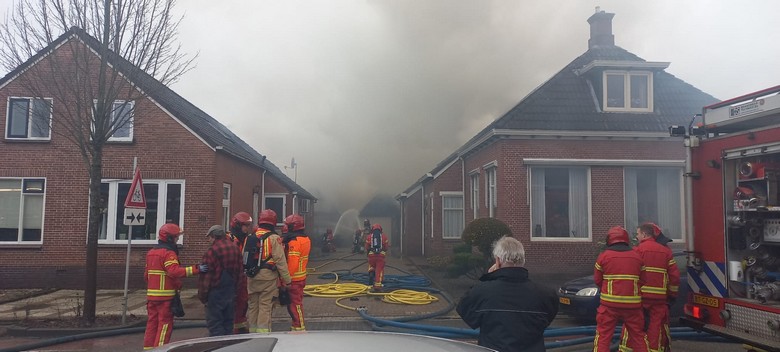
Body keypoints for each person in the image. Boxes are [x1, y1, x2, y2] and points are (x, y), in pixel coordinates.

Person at [456, 236, 558, 352]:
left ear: (498, 261)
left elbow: (464, 309)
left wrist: (487, 279)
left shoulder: (482, 291)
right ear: (523, 260)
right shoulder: (546, 294)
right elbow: (546, 320)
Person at [143, 223, 206, 350]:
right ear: (170, 238)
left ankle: (148, 349)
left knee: (151, 325)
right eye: (176, 237)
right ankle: (160, 350)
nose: (177, 240)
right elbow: (174, 271)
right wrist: (196, 269)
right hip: (165, 298)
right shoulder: (168, 253)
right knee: (164, 326)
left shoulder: (151, 253)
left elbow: (146, 275)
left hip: (151, 297)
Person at [619, 223, 680, 352]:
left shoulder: (636, 251)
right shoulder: (666, 252)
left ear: (644, 234)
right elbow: (674, 277)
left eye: (638, 234)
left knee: (633, 327)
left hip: (638, 300)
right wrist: (672, 295)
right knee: (656, 329)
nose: (637, 237)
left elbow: (629, 274)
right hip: (659, 301)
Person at [594, 226, 648, 352]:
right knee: (638, 336)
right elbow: (643, 280)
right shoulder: (637, 256)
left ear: (610, 240)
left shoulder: (604, 256)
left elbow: (597, 280)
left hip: (609, 305)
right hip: (633, 306)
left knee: (603, 336)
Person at [244, 209, 291, 333]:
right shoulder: (274, 238)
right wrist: (287, 280)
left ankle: (252, 333)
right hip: (268, 278)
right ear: (273, 222)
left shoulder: (250, 237)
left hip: (252, 277)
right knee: (265, 307)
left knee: (253, 307)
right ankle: (263, 335)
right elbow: (280, 261)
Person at [198, 225, 243, 336]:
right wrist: (236, 291)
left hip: (215, 293)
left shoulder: (212, 251)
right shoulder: (235, 249)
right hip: (230, 292)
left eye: (209, 237)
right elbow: (240, 273)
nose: (209, 240)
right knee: (228, 325)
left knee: (215, 326)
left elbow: (206, 277)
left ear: (214, 236)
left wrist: (203, 296)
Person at [283, 214, 312, 331]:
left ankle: (299, 327)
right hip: (301, 277)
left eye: (288, 225)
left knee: (295, 304)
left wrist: (287, 279)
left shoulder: (295, 242)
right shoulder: (305, 239)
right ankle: (296, 326)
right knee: (296, 304)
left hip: (294, 279)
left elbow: (293, 262)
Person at [226, 212, 253, 334]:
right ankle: (232, 331)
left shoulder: (245, 239)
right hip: (231, 277)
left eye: (248, 225)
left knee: (243, 303)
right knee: (232, 304)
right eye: (245, 225)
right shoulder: (229, 240)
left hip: (242, 277)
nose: (247, 228)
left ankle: (240, 328)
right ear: (237, 225)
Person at [364, 223, 389, 292]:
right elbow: (386, 247)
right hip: (380, 257)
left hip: (371, 256)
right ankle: (378, 285)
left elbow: (367, 247)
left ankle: (371, 274)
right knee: (379, 270)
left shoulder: (369, 237)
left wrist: (369, 253)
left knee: (371, 265)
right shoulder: (384, 237)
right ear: (380, 229)